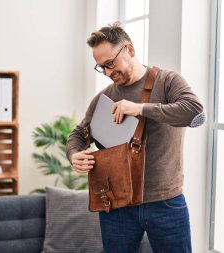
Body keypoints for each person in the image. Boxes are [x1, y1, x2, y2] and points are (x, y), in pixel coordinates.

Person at [66, 22, 205, 253]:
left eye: (111, 63)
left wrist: (140, 108)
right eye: (101, 67)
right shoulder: (105, 97)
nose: (108, 72)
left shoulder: (168, 81)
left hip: (166, 202)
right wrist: (74, 154)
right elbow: (78, 135)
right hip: (117, 203)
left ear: (129, 49)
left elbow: (195, 113)